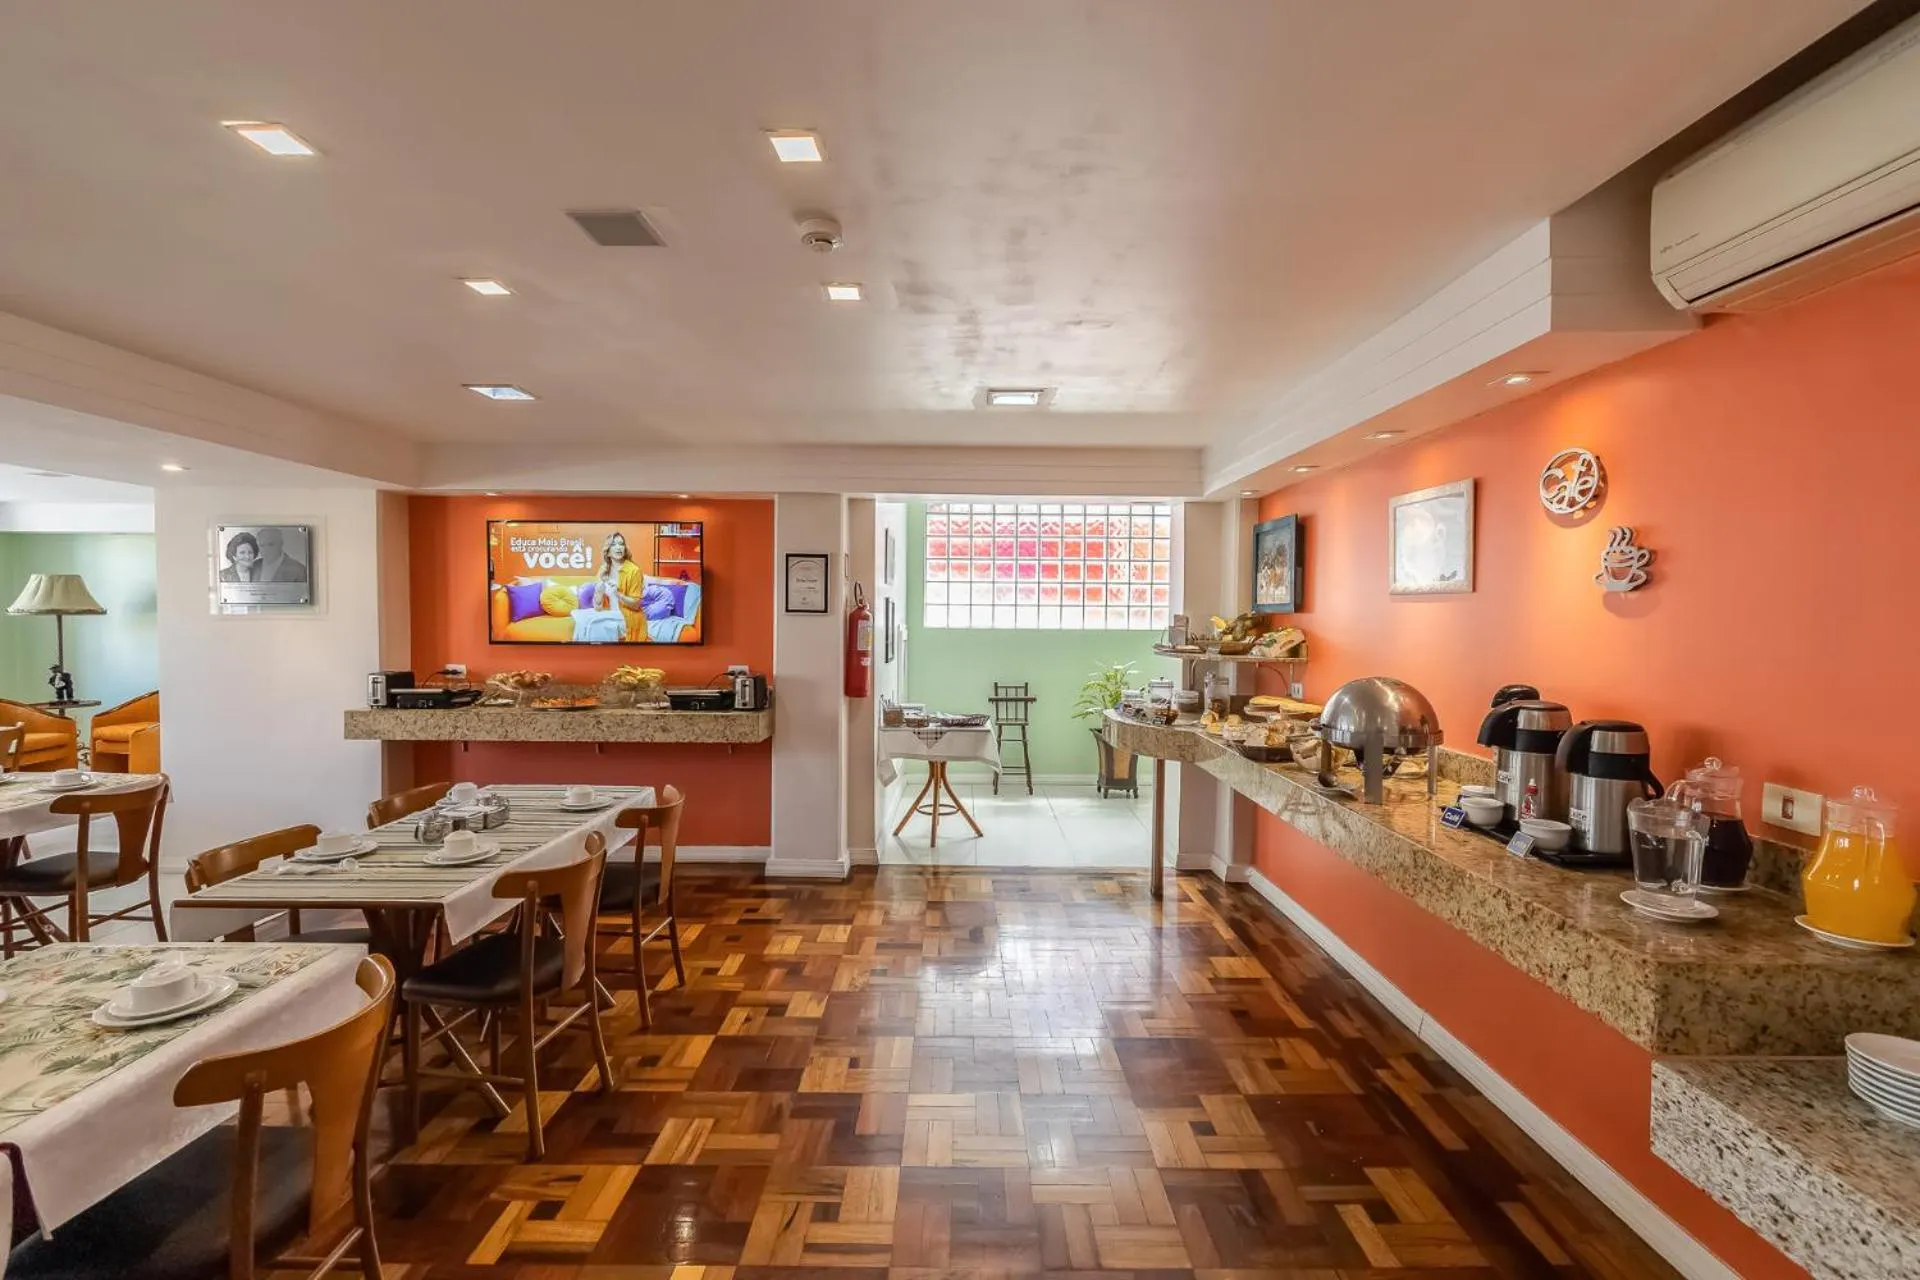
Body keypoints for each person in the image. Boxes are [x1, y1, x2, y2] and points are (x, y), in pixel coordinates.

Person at [593, 531, 647, 641]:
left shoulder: (634, 570)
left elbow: (636, 605)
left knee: (602, 627)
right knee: (585, 622)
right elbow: (597, 608)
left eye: (621, 544)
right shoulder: (603, 570)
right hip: (608, 614)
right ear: (607, 552)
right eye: (613, 544)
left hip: (627, 617)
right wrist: (599, 591)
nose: (618, 547)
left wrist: (618, 594)